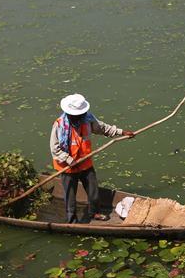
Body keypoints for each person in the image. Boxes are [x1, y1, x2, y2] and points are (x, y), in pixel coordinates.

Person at [50, 94, 134, 223]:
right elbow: (55, 148)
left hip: (85, 162)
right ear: (70, 113)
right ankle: (72, 221)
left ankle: (94, 212)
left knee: (93, 189)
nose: (81, 115)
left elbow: (103, 128)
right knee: (70, 196)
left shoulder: (88, 119)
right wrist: (69, 160)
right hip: (67, 167)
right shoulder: (60, 125)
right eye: (78, 114)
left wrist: (121, 132)